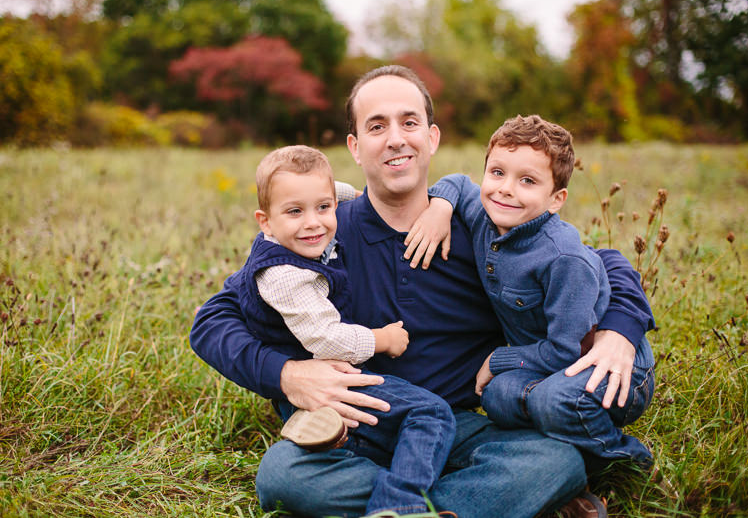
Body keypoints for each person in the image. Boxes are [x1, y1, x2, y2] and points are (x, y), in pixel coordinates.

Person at [190, 65, 655, 518]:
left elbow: (600, 262)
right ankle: (468, 502)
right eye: (377, 126)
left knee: (554, 461)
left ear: (431, 137)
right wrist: (288, 375)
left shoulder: (483, 223)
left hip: (465, 423)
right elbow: (214, 320)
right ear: (355, 147)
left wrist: (619, 328)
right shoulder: (320, 234)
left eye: (408, 122)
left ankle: (406, 505)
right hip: (369, 419)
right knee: (284, 477)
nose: (395, 138)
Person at [233, 144, 456, 516]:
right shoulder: (286, 275)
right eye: (294, 212)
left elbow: (335, 192)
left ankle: (374, 463)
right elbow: (327, 339)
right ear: (265, 221)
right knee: (432, 415)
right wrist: (383, 339)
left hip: (330, 389)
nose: (313, 223)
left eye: (323, 207)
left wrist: (371, 197)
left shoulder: (306, 219)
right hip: (323, 381)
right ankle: (400, 506)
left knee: (383, 435)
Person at [422, 114, 655, 466]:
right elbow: (457, 182)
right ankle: (561, 433)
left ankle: (622, 458)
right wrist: (439, 206)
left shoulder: (562, 258)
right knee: (496, 396)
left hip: (605, 363)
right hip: (545, 367)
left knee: (555, 401)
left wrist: (498, 358)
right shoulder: (485, 213)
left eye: (527, 181)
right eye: (497, 172)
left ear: (556, 199)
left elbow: (565, 351)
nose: (505, 188)